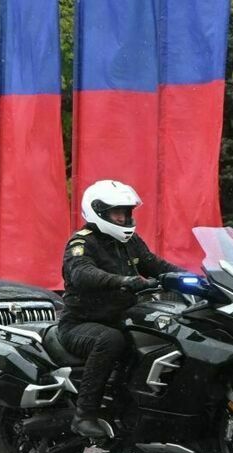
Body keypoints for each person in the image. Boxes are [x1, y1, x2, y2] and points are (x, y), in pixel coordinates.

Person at [60, 180, 184, 438]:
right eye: (117, 212)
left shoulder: (130, 242)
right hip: (80, 324)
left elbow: (156, 265)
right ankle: (84, 415)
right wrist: (124, 280)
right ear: (98, 212)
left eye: (127, 212)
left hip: (120, 318)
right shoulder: (82, 243)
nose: (124, 218)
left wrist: (196, 279)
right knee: (110, 340)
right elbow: (82, 273)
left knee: (163, 332)